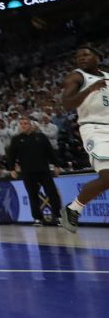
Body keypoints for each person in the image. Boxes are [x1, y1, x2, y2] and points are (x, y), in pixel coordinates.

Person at [60, 45, 109, 233]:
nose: (81, 58)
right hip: (94, 129)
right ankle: (74, 208)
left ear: (98, 56)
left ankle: (73, 209)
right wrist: (90, 90)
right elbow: (67, 104)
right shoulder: (77, 77)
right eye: (78, 56)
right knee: (107, 177)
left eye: (86, 54)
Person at [5, 116, 62, 226]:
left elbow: (50, 151)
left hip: (43, 170)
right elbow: (11, 156)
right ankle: (37, 218)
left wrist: (56, 165)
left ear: (31, 125)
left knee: (52, 193)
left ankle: (58, 216)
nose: (23, 126)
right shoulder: (16, 139)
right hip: (27, 172)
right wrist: (12, 169)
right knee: (32, 195)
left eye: (25, 123)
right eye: (21, 124)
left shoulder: (41, 137)